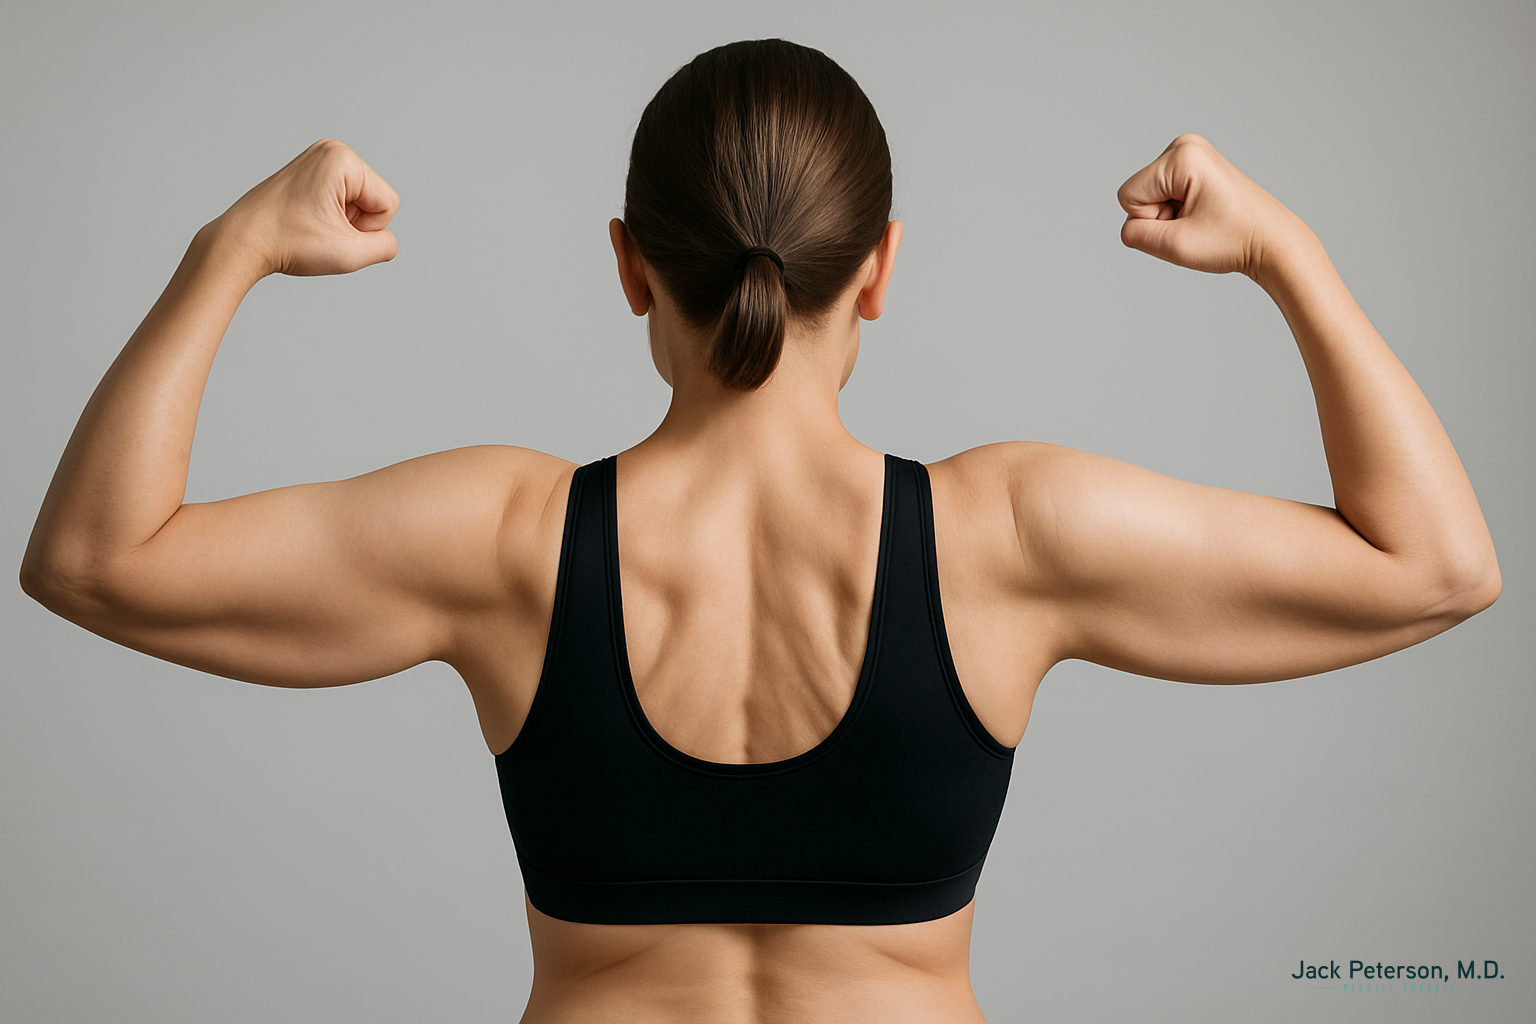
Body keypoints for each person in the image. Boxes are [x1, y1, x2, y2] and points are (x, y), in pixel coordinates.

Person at [19, 37, 1499, 1024]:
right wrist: (1285, 255)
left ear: (628, 266)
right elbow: (1435, 567)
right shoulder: (1009, 535)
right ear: (879, 272)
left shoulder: (502, 541)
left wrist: (226, 257)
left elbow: (91, 558)